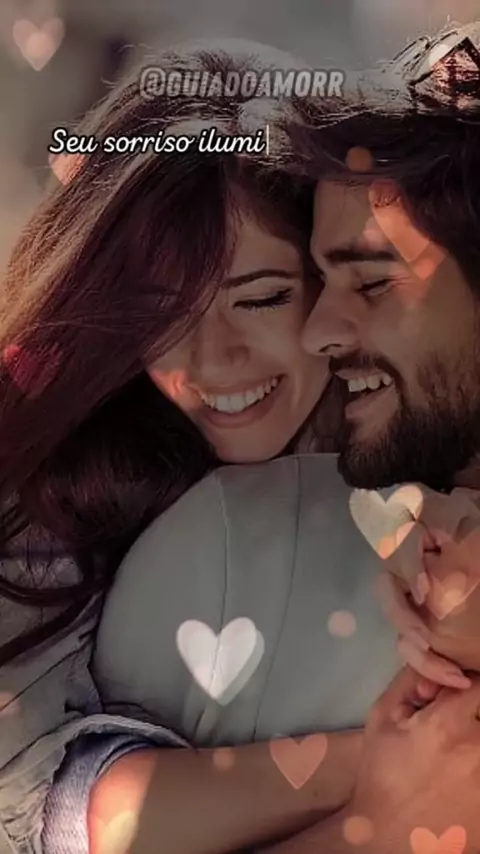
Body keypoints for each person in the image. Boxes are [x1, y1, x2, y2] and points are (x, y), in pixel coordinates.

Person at [61, 21, 480, 854]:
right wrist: (380, 803)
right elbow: (48, 799)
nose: (325, 331)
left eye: (369, 281)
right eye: (156, 315)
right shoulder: (188, 536)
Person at [0, 37, 361, 854]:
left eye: (260, 300)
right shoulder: (44, 459)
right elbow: (32, 800)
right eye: (163, 312)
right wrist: (378, 770)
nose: (213, 360)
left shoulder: (412, 423)